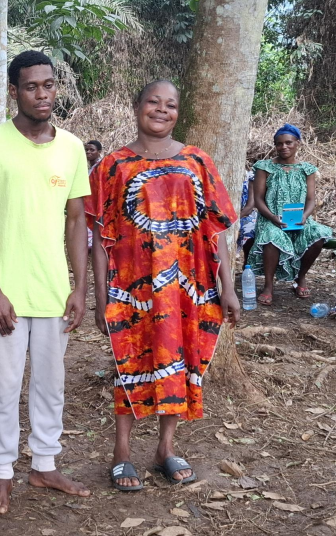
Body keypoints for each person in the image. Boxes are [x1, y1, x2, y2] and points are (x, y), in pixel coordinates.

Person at [86, 80, 239, 492]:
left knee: (179, 362)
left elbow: (216, 230)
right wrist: (101, 298)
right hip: (131, 288)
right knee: (129, 364)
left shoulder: (197, 161)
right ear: (136, 106)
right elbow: (101, 238)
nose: (161, 110)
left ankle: (165, 448)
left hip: (188, 288)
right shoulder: (112, 166)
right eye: (153, 102)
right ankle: (121, 453)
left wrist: (228, 286)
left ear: (178, 112)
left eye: (170, 104)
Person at [0, 50, 92, 515]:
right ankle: (2, 472)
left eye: (49, 84)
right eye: (32, 86)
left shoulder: (73, 147)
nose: (43, 94)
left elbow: (76, 220)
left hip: (54, 290)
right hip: (6, 294)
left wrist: (79, 287)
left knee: (51, 384)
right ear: (14, 91)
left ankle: (45, 464)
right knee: (3, 385)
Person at [246, 123, 332, 304]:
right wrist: (272, 217)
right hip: (270, 218)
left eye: (288, 143)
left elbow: (311, 200)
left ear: (297, 143)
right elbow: (259, 199)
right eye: (279, 144)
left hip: (298, 218)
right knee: (272, 235)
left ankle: (300, 278)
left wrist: (304, 216)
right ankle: (268, 286)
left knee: (318, 235)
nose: (283, 147)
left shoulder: (306, 169)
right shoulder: (264, 167)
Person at [238, 169, 257, 267]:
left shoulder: (249, 177)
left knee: (250, 227)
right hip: (221, 215)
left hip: (244, 214)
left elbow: (250, 206)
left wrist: (235, 219)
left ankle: (247, 262)